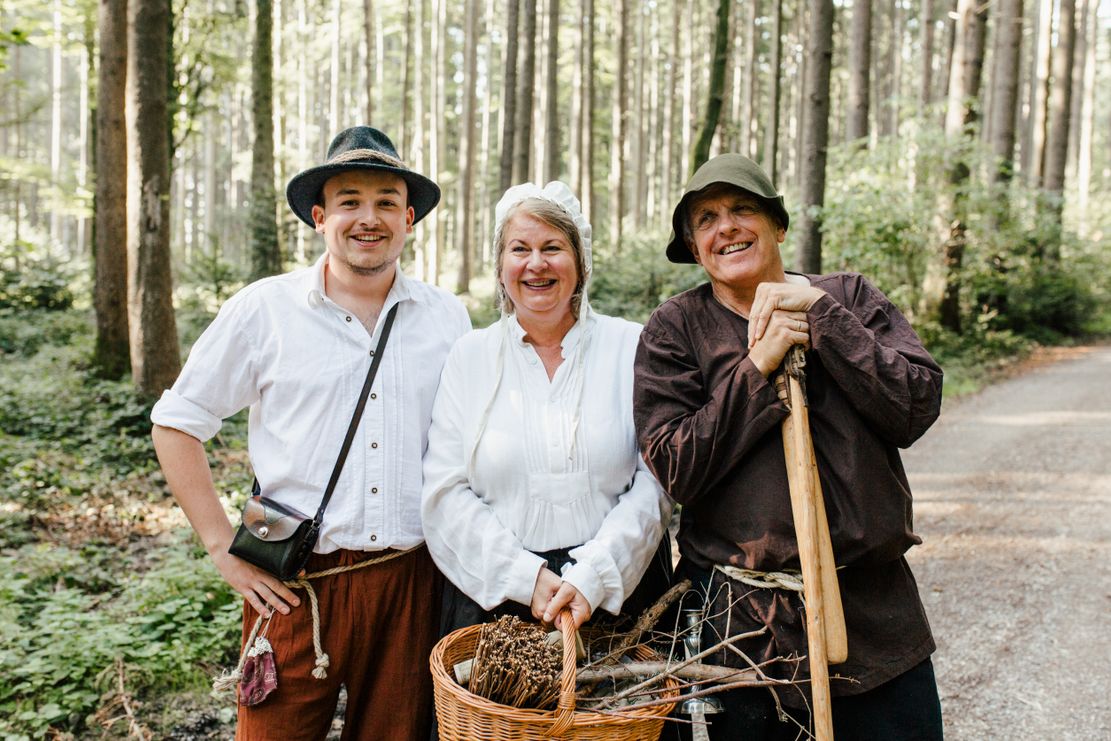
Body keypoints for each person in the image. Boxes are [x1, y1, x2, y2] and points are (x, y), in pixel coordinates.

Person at [150, 126, 471, 741]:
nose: (367, 217)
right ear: (320, 216)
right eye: (349, 200)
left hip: (413, 581)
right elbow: (176, 425)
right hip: (295, 584)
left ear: (409, 219)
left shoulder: (446, 317)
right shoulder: (264, 310)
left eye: (385, 202)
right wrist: (222, 549)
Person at [633, 154, 945, 740]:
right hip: (743, 633)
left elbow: (915, 405)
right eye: (706, 218)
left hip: (875, 614)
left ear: (778, 226)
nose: (725, 226)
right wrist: (758, 366)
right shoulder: (676, 328)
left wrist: (825, 320)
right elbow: (675, 467)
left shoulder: (846, 296)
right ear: (695, 248)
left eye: (743, 208)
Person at [421, 181, 673, 639]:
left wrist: (593, 575)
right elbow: (444, 492)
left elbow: (655, 479)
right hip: (497, 604)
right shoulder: (469, 357)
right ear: (500, 268)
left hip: (622, 594)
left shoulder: (631, 346)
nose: (536, 263)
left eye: (553, 247)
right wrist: (525, 578)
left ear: (580, 262)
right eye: (520, 249)